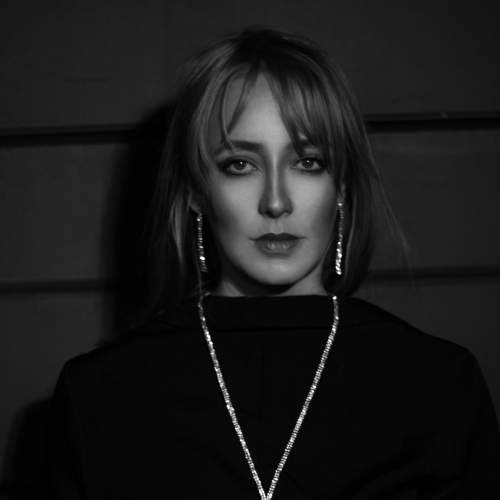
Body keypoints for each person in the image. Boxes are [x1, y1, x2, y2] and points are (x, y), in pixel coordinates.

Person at [46, 27, 500, 499]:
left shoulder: (440, 384)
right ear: (197, 190)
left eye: (308, 161)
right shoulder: (99, 394)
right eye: (240, 164)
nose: (277, 202)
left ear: (341, 186)